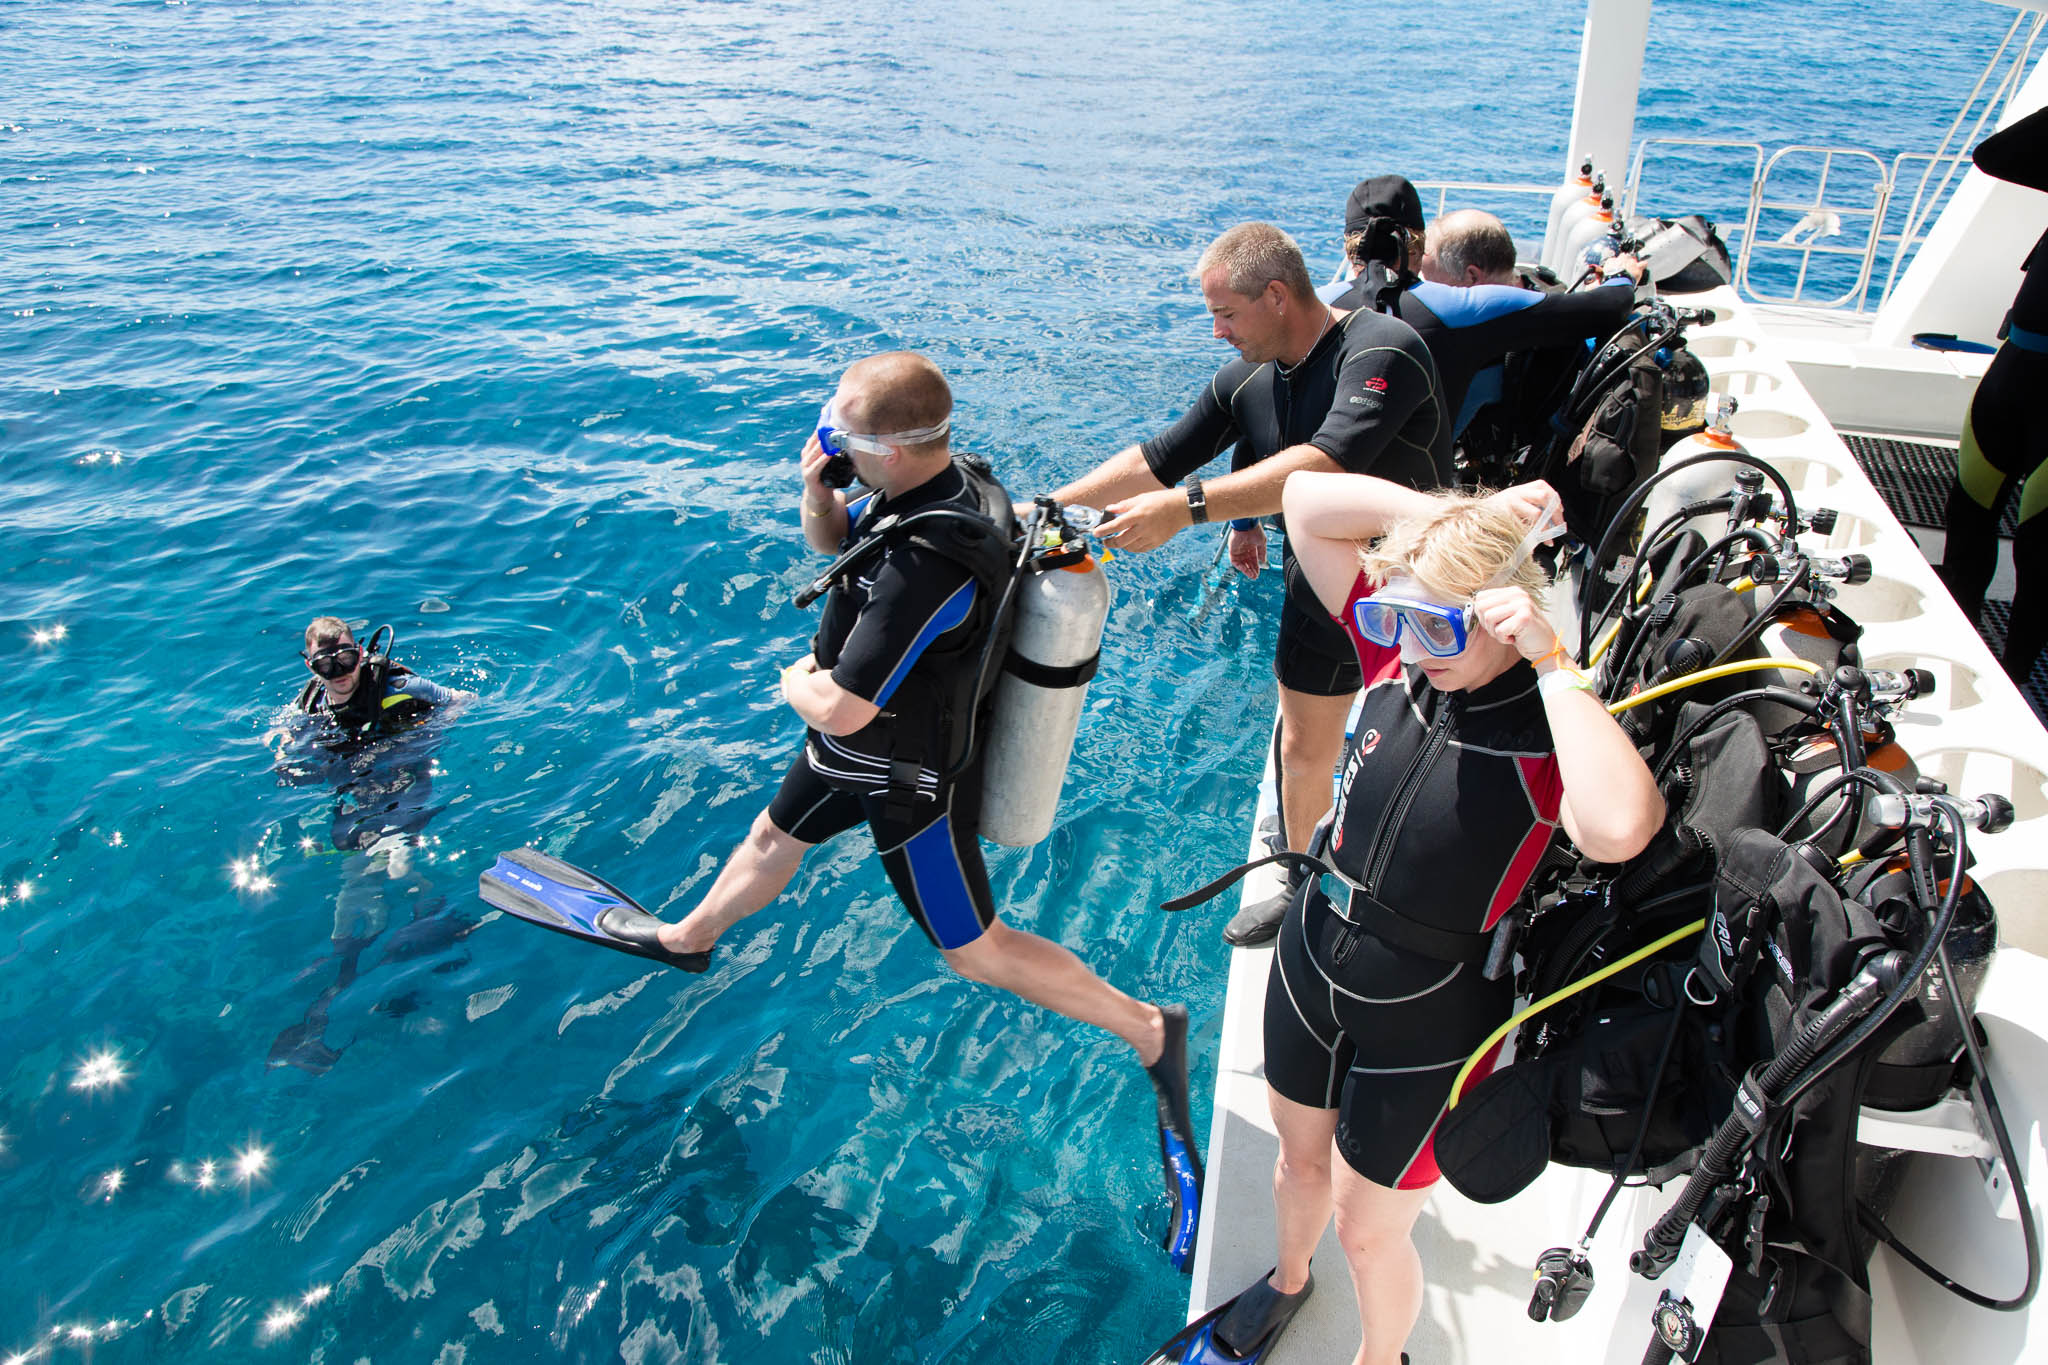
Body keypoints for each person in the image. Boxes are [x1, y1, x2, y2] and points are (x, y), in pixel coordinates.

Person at [644, 352, 1202, 1247]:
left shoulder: (928, 563)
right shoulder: (942, 481)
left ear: (891, 450)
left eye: (839, 437)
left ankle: (1149, 1028)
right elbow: (836, 547)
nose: (825, 444)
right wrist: (819, 488)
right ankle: (689, 936)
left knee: (978, 951)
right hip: (852, 754)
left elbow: (844, 701)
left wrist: (793, 679)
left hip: (905, 778)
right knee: (771, 835)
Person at [1179, 471, 1663, 1365]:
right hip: (1313, 959)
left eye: (1436, 624)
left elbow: (1621, 828)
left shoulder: (1547, 727)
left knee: (1369, 1229)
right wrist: (1457, 522)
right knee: (1297, 1166)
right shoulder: (1398, 658)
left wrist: (1555, 665)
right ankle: (1288, 1279)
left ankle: (1381, 1356)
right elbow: (1305, 508)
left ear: (1501, 613)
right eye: (1394, 616)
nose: (1409, 644)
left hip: (1433, 1015)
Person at [1049, 222, 1450, 946]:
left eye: (1226, 313)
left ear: (1275, 295)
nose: (1215, 331)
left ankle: (1420, 904)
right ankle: (1306, 889)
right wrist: (1054, 506)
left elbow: (1328, 462)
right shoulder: (1246, 381)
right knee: (1302, 749)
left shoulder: (1383, 348)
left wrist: (1192, 509)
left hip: (1419, 594)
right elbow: (1160, 457)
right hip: (1321, 590)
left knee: (1421, 753)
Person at [1334, 201, 1645, 441]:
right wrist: (1620, 277)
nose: (1417, 282)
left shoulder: (1468, 319)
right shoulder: (1538, 302)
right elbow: (1604, 306)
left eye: (1426, 273)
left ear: (1471, 276)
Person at [1937, 103, 2048, 684]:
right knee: (1968, 516)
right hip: (2013, 372)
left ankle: (2018, 676)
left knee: (2040, 552)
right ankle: (1958, 651)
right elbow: (1996, 156)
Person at [296, 617, 470, 735]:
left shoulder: (398, 687)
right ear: (311, 667)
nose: (339, 672)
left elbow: (462, 697)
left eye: (346, 660)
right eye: (325, 665)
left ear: (359, 653)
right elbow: (290, 719)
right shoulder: (311, 698)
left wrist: (434, 729)